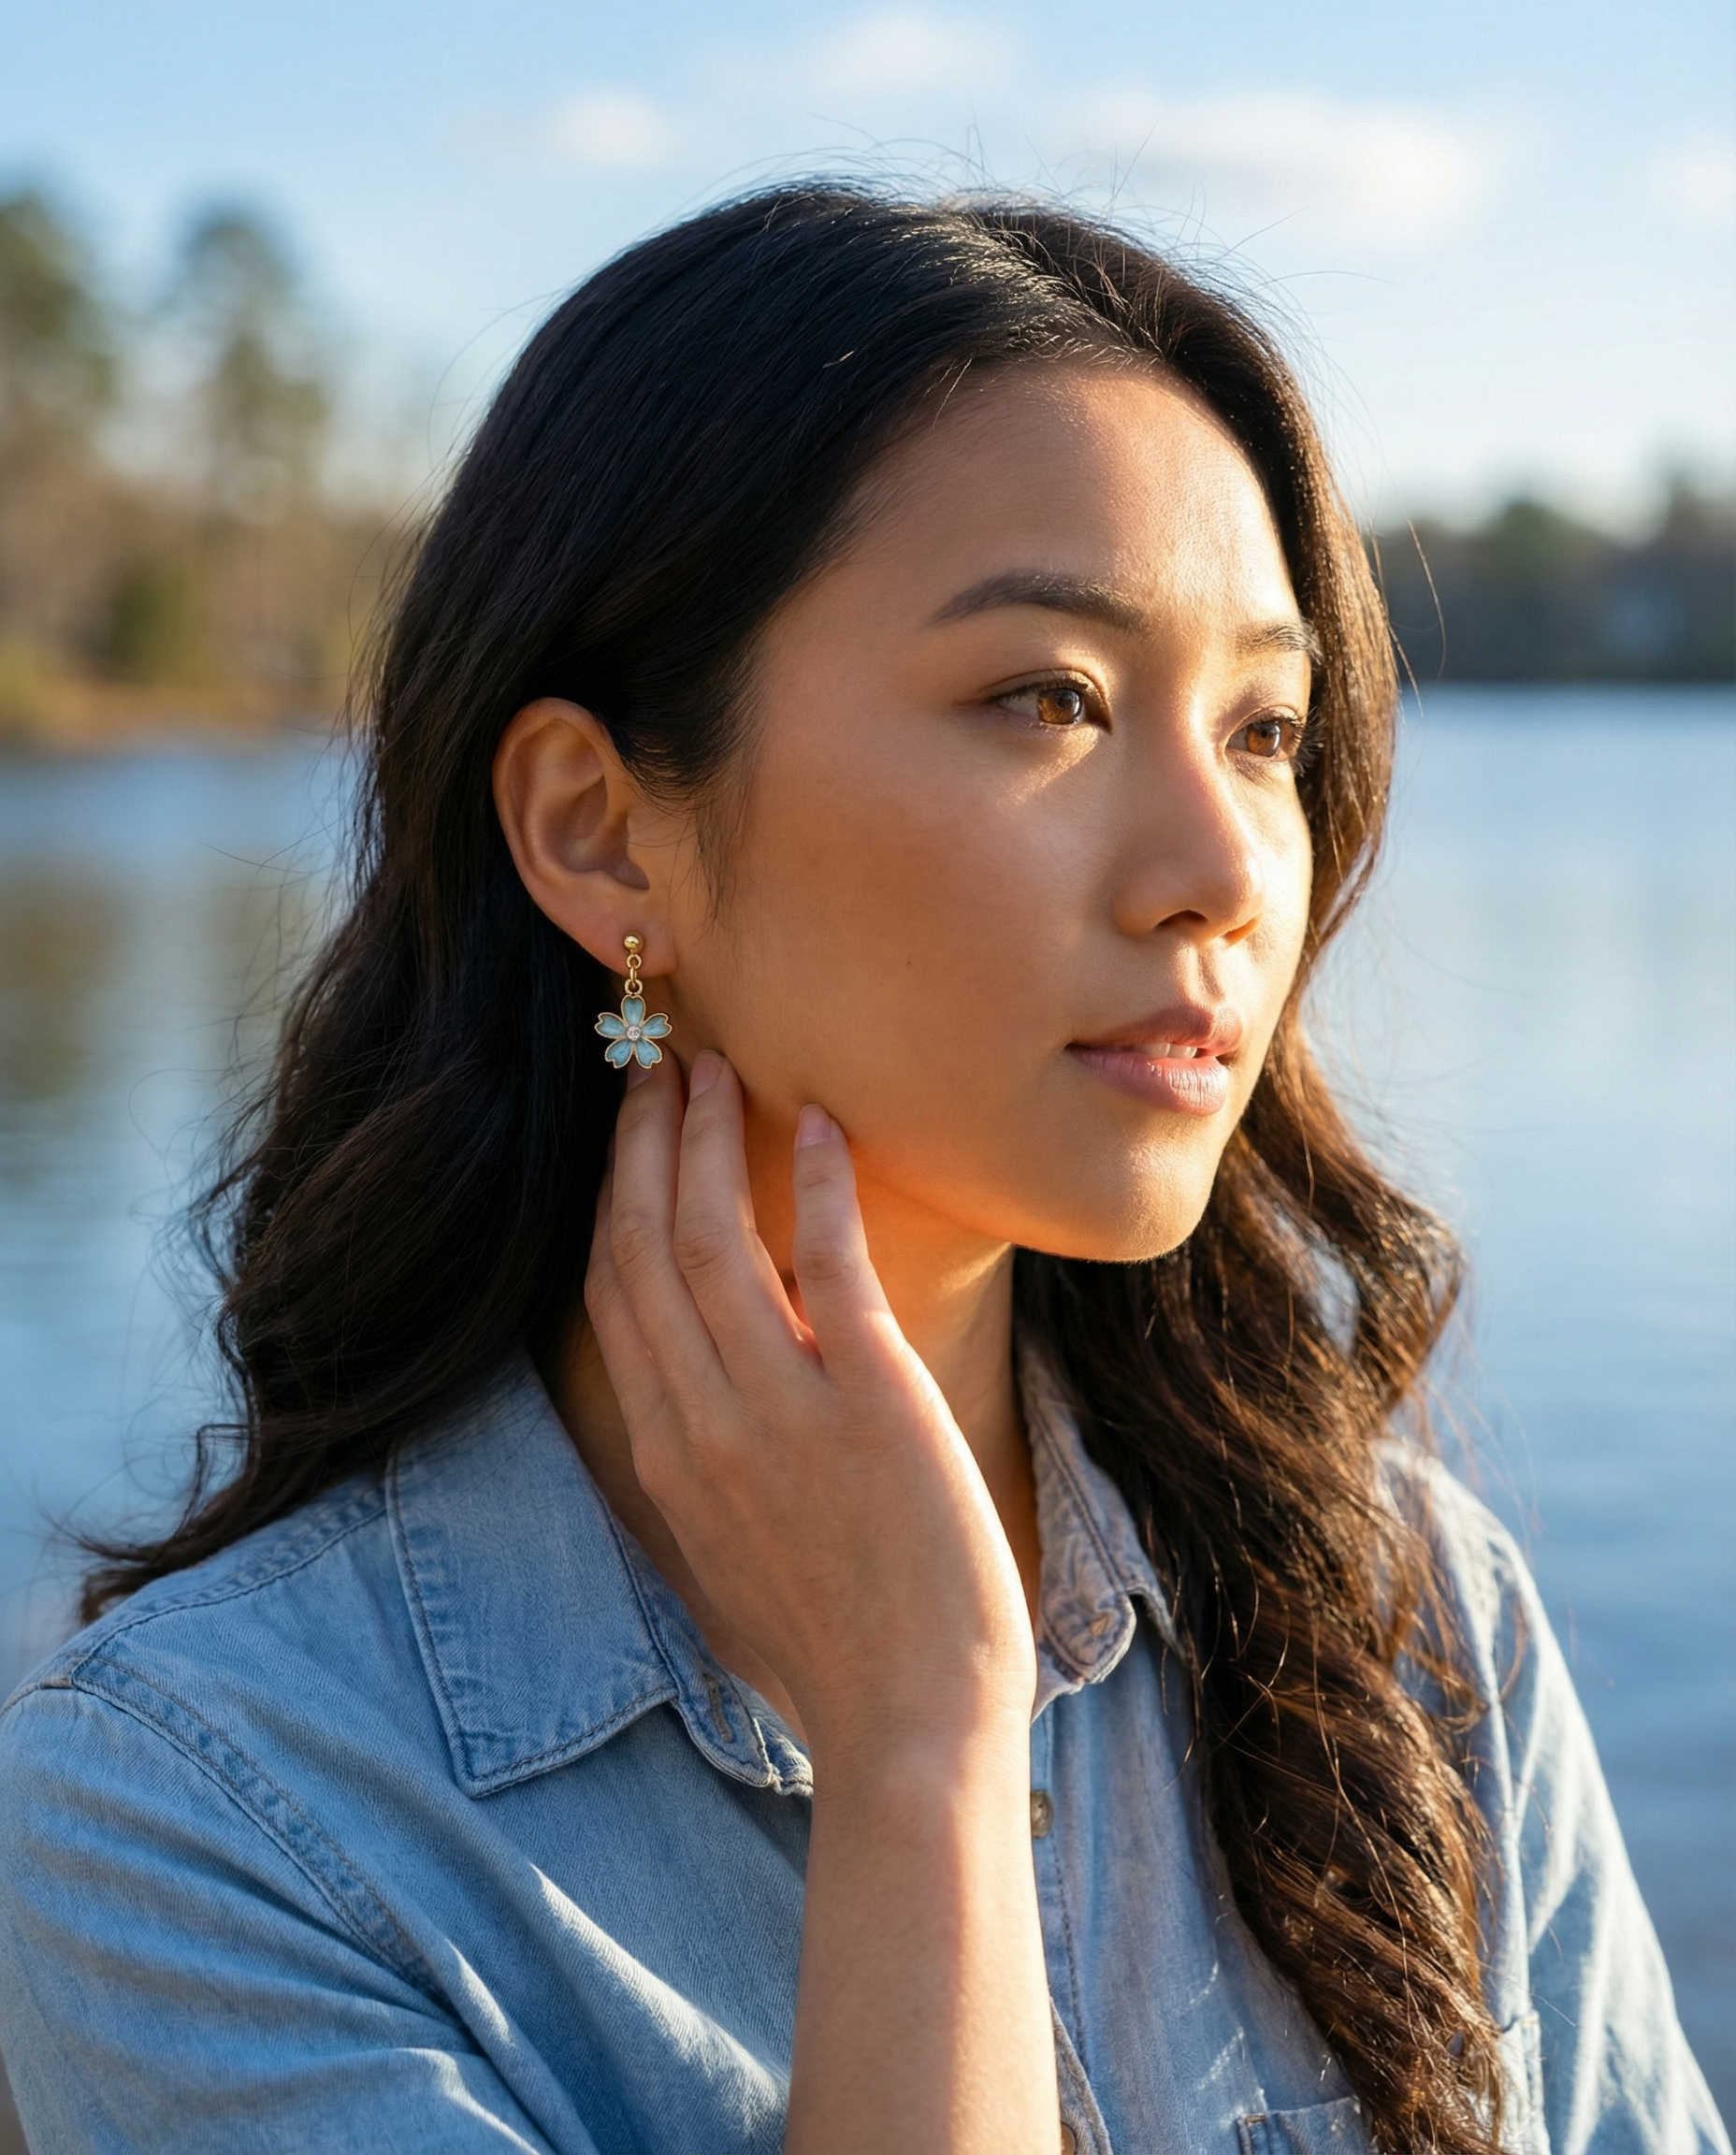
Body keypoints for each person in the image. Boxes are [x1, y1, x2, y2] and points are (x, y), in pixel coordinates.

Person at [0, 185, 1722, 2155]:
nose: (1228, 872)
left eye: (1265, 726)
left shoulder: (1410, 1625)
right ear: (598, 829)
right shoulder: (201, 1815)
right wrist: (922, 1756)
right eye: (1047, 699)